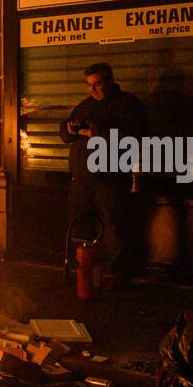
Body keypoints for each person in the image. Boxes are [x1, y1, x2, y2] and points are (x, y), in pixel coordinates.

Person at [60, 62, 148, 289]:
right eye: (89, 85)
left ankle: (122, 274)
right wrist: (69, 129)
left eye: (97, 84)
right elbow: (66, 133)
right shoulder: (85, 106)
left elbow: (135, 137)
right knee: (80, 226)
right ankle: (82, 271)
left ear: (110, 81)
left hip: (110, 179)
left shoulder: (128, 105)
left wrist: (101, 132)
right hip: (81, 180)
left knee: (115, 226)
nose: (93, 90)